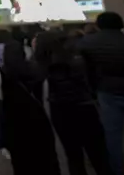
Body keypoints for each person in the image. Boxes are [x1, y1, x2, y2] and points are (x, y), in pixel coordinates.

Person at [35, 31, 112, 175]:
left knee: (73, 154)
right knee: (98, 153)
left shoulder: (41, 65)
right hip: (84, 105)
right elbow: (94, 78)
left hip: (59, 110)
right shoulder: (78, 59)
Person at [0, 41, 60, 175]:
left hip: (14, 123)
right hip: (39, 120)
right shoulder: (37, 69)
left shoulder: (0, 72)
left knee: (21, 162)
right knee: (46, 159)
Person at [78, 12, 124, 175]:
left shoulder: (88, 42)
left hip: (107, 91)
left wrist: (92, 90)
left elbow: (85, 69)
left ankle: (118, 169)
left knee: (113, 135)